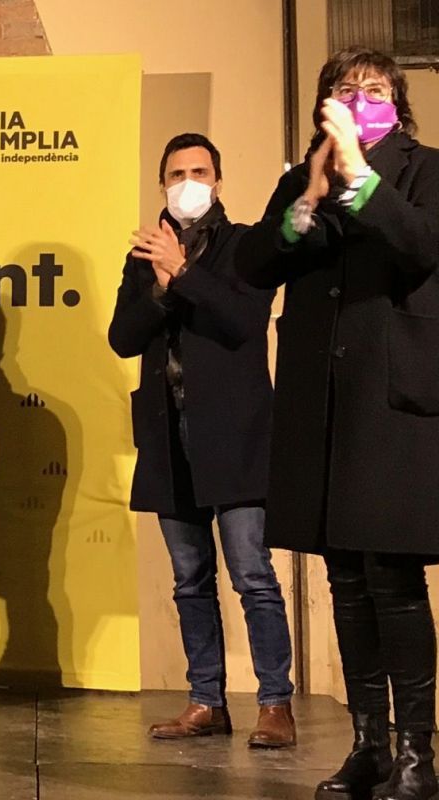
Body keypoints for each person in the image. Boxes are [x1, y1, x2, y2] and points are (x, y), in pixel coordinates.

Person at [239, 47, 439, 800]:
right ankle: (368, 745)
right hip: (321, 399)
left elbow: (420, 245)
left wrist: (358, 176)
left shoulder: (426, 170)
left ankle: (419, 753)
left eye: (375, 89)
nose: (360, 97)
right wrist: (306, 201)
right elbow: (256, 264)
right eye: (346, 90)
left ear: (399, 101)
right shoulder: (305, 177)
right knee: (344, 578)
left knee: (393, 574)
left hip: (392, 398)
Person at [109, 133, 295, 747]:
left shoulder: (243, 245)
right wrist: (160, 285)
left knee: (251, 573)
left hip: (234, 435)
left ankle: (275, 703)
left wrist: (184, 272)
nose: (187, 181)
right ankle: (205, 699)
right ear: (161, 183)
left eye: (199, 170)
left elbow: (244, 320)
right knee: (190, 578)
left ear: (218, 178)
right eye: (176, 172)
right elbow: (122, 336)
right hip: (169, 435)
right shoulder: (144, 253)